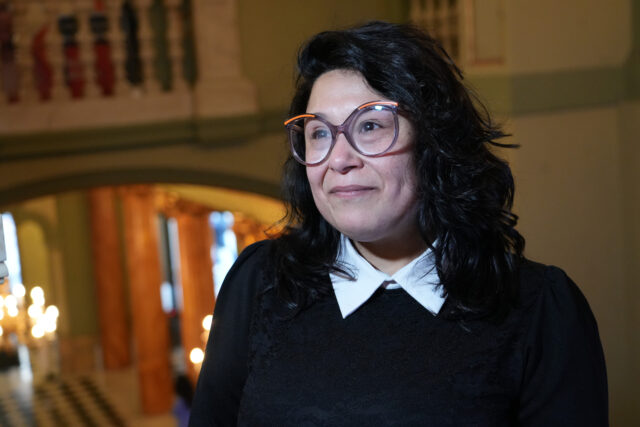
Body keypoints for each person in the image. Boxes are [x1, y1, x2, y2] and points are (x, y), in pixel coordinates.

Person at [189, 21, 608, 426]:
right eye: (319, 133)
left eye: (370, 126)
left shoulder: (540, 308)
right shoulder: (259, 282)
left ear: (435, 141)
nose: (339, 159)